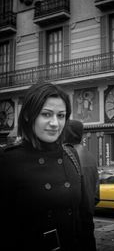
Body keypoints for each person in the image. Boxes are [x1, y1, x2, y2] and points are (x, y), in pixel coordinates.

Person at [0, 81, 97, 251]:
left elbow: (85, 219)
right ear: (29, 115)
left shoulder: (71, 155)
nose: (55, 123)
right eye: (46, 114)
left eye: (61, 116)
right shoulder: (8, 161)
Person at [64, 119, 99, 250]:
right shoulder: (90, 155)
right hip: (88, 216)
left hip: (72, 219)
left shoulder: (65, 154)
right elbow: (97, 193)